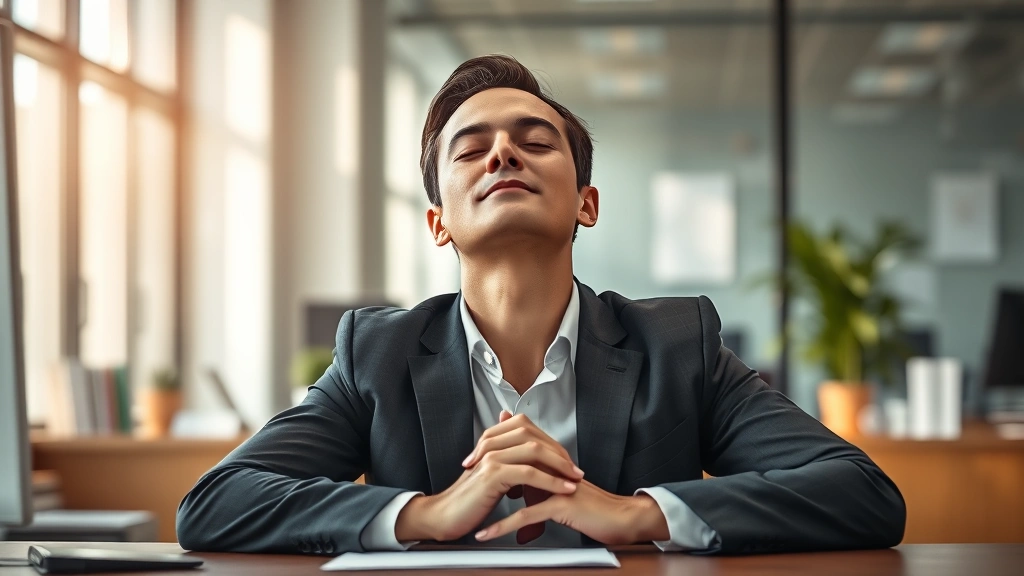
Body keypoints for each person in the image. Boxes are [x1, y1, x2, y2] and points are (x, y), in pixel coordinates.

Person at [176, 54, 905, 555]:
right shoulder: (377, 353)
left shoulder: (677, 346)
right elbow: (215, 503)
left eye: (534, 142)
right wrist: (425, 514)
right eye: (471, 150)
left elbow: (864, 494)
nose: (502, 156)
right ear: (438, 222)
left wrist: (636, 514)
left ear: (587, 204)